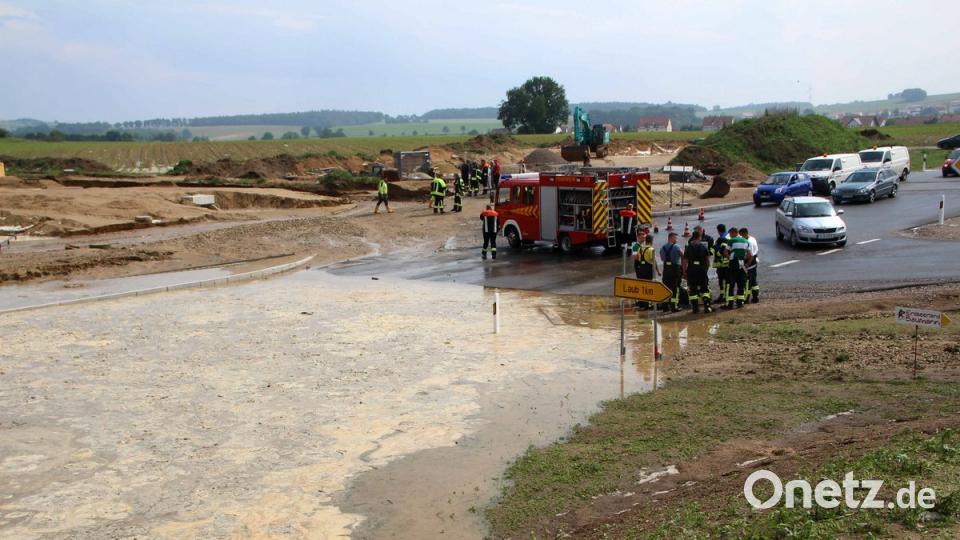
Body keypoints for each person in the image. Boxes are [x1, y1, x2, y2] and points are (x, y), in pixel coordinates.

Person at [683, 230, 713, 313]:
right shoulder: (703, 246)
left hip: (692, 269)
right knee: (705, 288)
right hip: (701, 269)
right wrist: (706, 269)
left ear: (693, 237)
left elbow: (685, 260)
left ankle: (695, 308)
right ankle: (707, 307)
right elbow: (707, 260)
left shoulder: (688, 247)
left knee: (693, 289)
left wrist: (684, 271)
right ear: (699, 237)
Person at [723, 227, 752, 309]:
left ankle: (730, 304)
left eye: (730, 234)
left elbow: (725, 252)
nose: (730, 236)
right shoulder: (746, 241)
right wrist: (746, 264)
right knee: (741, 285)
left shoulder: (731, 241)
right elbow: (750, 256)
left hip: (733, 265)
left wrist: (729, 257)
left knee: (730, 284)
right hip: (742, 265)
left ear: (734, 233)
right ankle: (740, 303)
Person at [659, 232, 683, 312]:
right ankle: (674, 306)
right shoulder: (676, 247)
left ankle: (665, 307)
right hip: (675, 269)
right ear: (671, 238)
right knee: (675, 287)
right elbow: (683, 255)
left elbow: (662, 259)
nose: (676, 240)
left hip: (666, 269)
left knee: (666, 287)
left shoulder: (662, 248)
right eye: (675, 238)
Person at [633, 232, 658, 309]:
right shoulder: (648, 249)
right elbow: (654, 261)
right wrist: (658, 271)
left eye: (644, 237)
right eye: (642, 237)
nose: (643, 238)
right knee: (647, 286)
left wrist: (641, 262)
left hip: (641, 268)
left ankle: (642, 303)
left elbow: (637, 257)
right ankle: (646, 304)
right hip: (645, 269)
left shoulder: (641, 247)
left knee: (642, 285)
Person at [741, 227, 760, 303]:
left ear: (745, 234)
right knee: (754, 282)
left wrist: (747, 265)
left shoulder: (749, 242)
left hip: (750, 262)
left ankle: (746, 299)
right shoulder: (752, 238)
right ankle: (755, 297)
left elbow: (750, 256)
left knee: (747, 282)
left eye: (742, 235)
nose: (741, 237)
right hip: (754, 261)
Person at [713, 224, 729, 303]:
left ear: (718, 230)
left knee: (722, 280)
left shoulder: (721, 238)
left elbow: (719, 250)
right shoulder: (728, 235)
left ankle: (723, 296)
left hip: (722, 263)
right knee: (727, 280)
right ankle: (726, 295)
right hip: (728, 262)